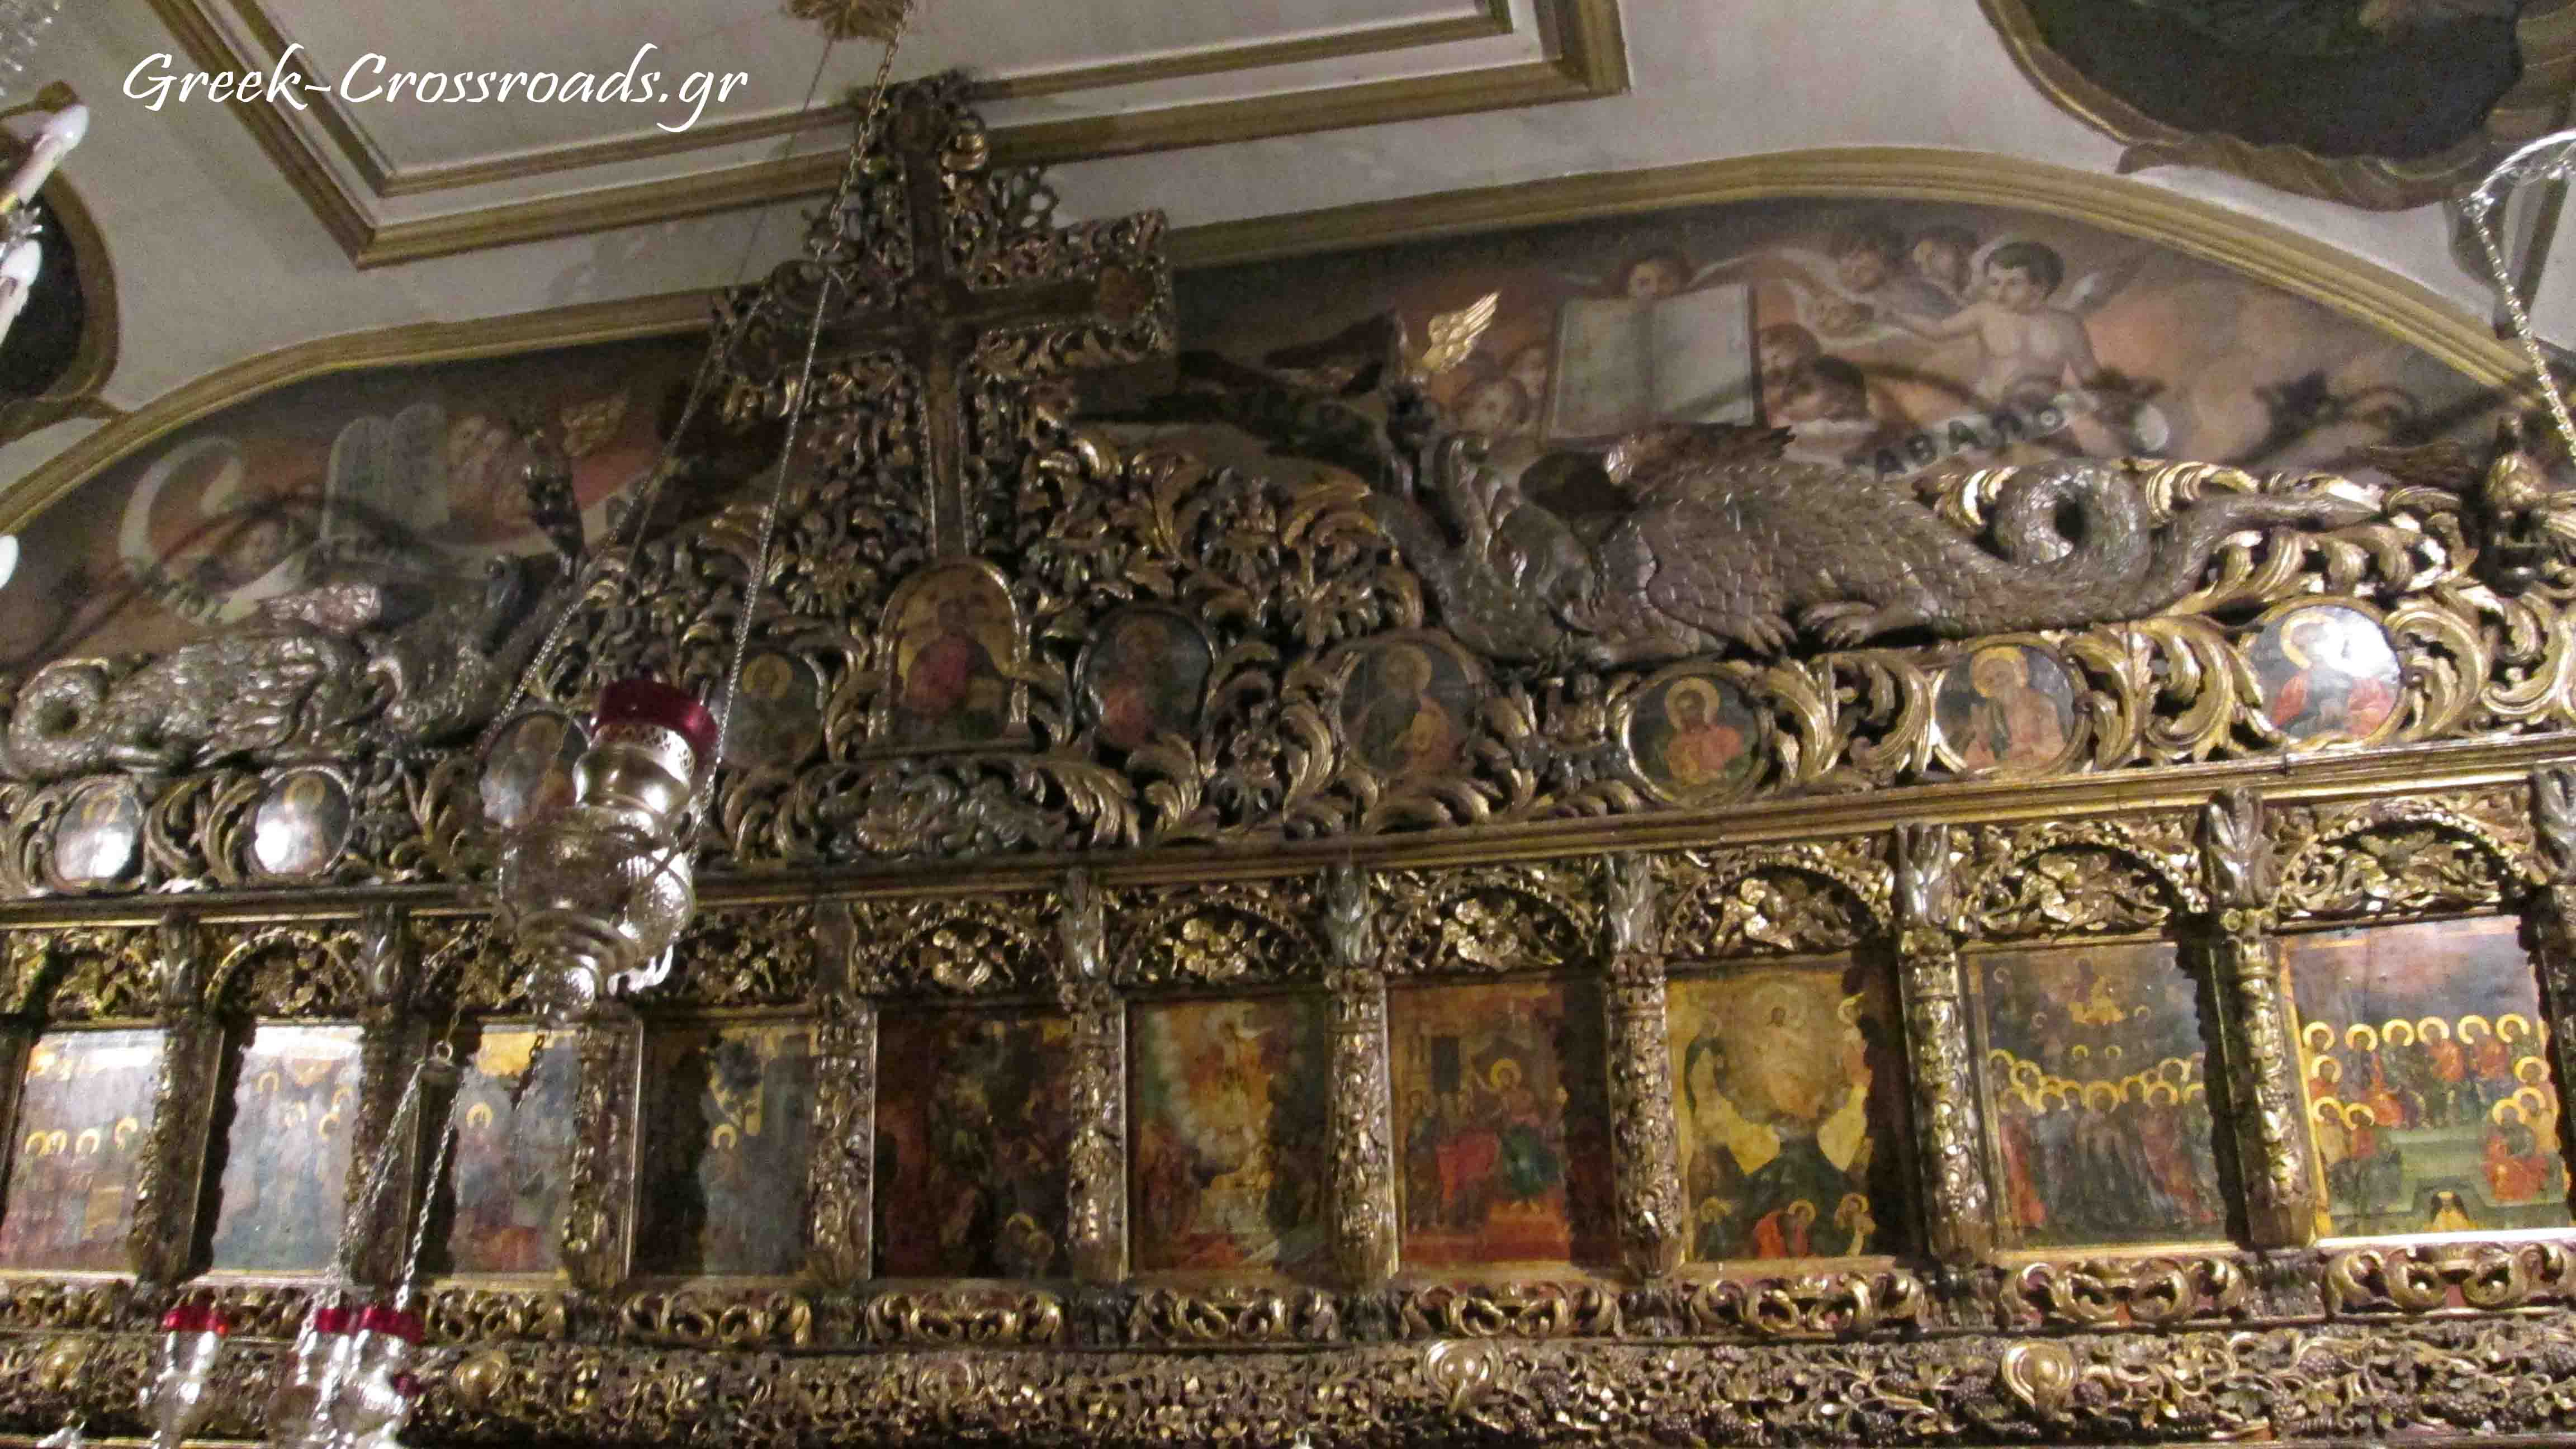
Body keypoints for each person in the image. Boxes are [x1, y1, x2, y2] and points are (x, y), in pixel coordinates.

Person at [1884, 241, 2101, 411]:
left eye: (2013, 284)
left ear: (2040, 288)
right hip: (1990, 412)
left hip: (2042, 417)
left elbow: (2089, 374)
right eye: (1994, 283)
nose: (1999, 293)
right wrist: (1896, 316)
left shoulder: (2067, 325)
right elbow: (1939, 330)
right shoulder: (1985, 313)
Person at [2266, 613, 2398, 740]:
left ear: (2330, 639)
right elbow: (2281, 729)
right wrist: (2318, 722)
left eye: (2316, 640)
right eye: (2303, 647)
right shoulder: (2296, 685)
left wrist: (2353, 717)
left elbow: (2383, 709)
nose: (2312, 649)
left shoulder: (2362, 678)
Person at [897, 595, 1005, 740]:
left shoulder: (976, 650)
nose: (952, 621)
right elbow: (915, 686)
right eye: (948, 616)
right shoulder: (927, 652)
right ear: (941, 620)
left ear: (963, 620)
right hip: (930, 714)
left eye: (956, 616)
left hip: (963, 715)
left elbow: (992, 680)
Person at [1954, 646, 2070, 770]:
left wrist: (2029, 749)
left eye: (2001, 675)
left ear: (2017, 671)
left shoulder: (2042, 704)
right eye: (1989, 681)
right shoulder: (1990, 712)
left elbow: (2057, 748)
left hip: (2043, 770)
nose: (1996, 683)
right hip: (2008, 772)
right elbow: (1981, 746)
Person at [1657, 678, 1747, 789]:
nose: (1686, 715)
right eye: (1682, 711)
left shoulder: (1728, 735)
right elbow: (1677, 775)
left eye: (1690, 708)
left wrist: (1720, 775)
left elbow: (1738, 770)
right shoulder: (1676, 744)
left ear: (1701, 707)